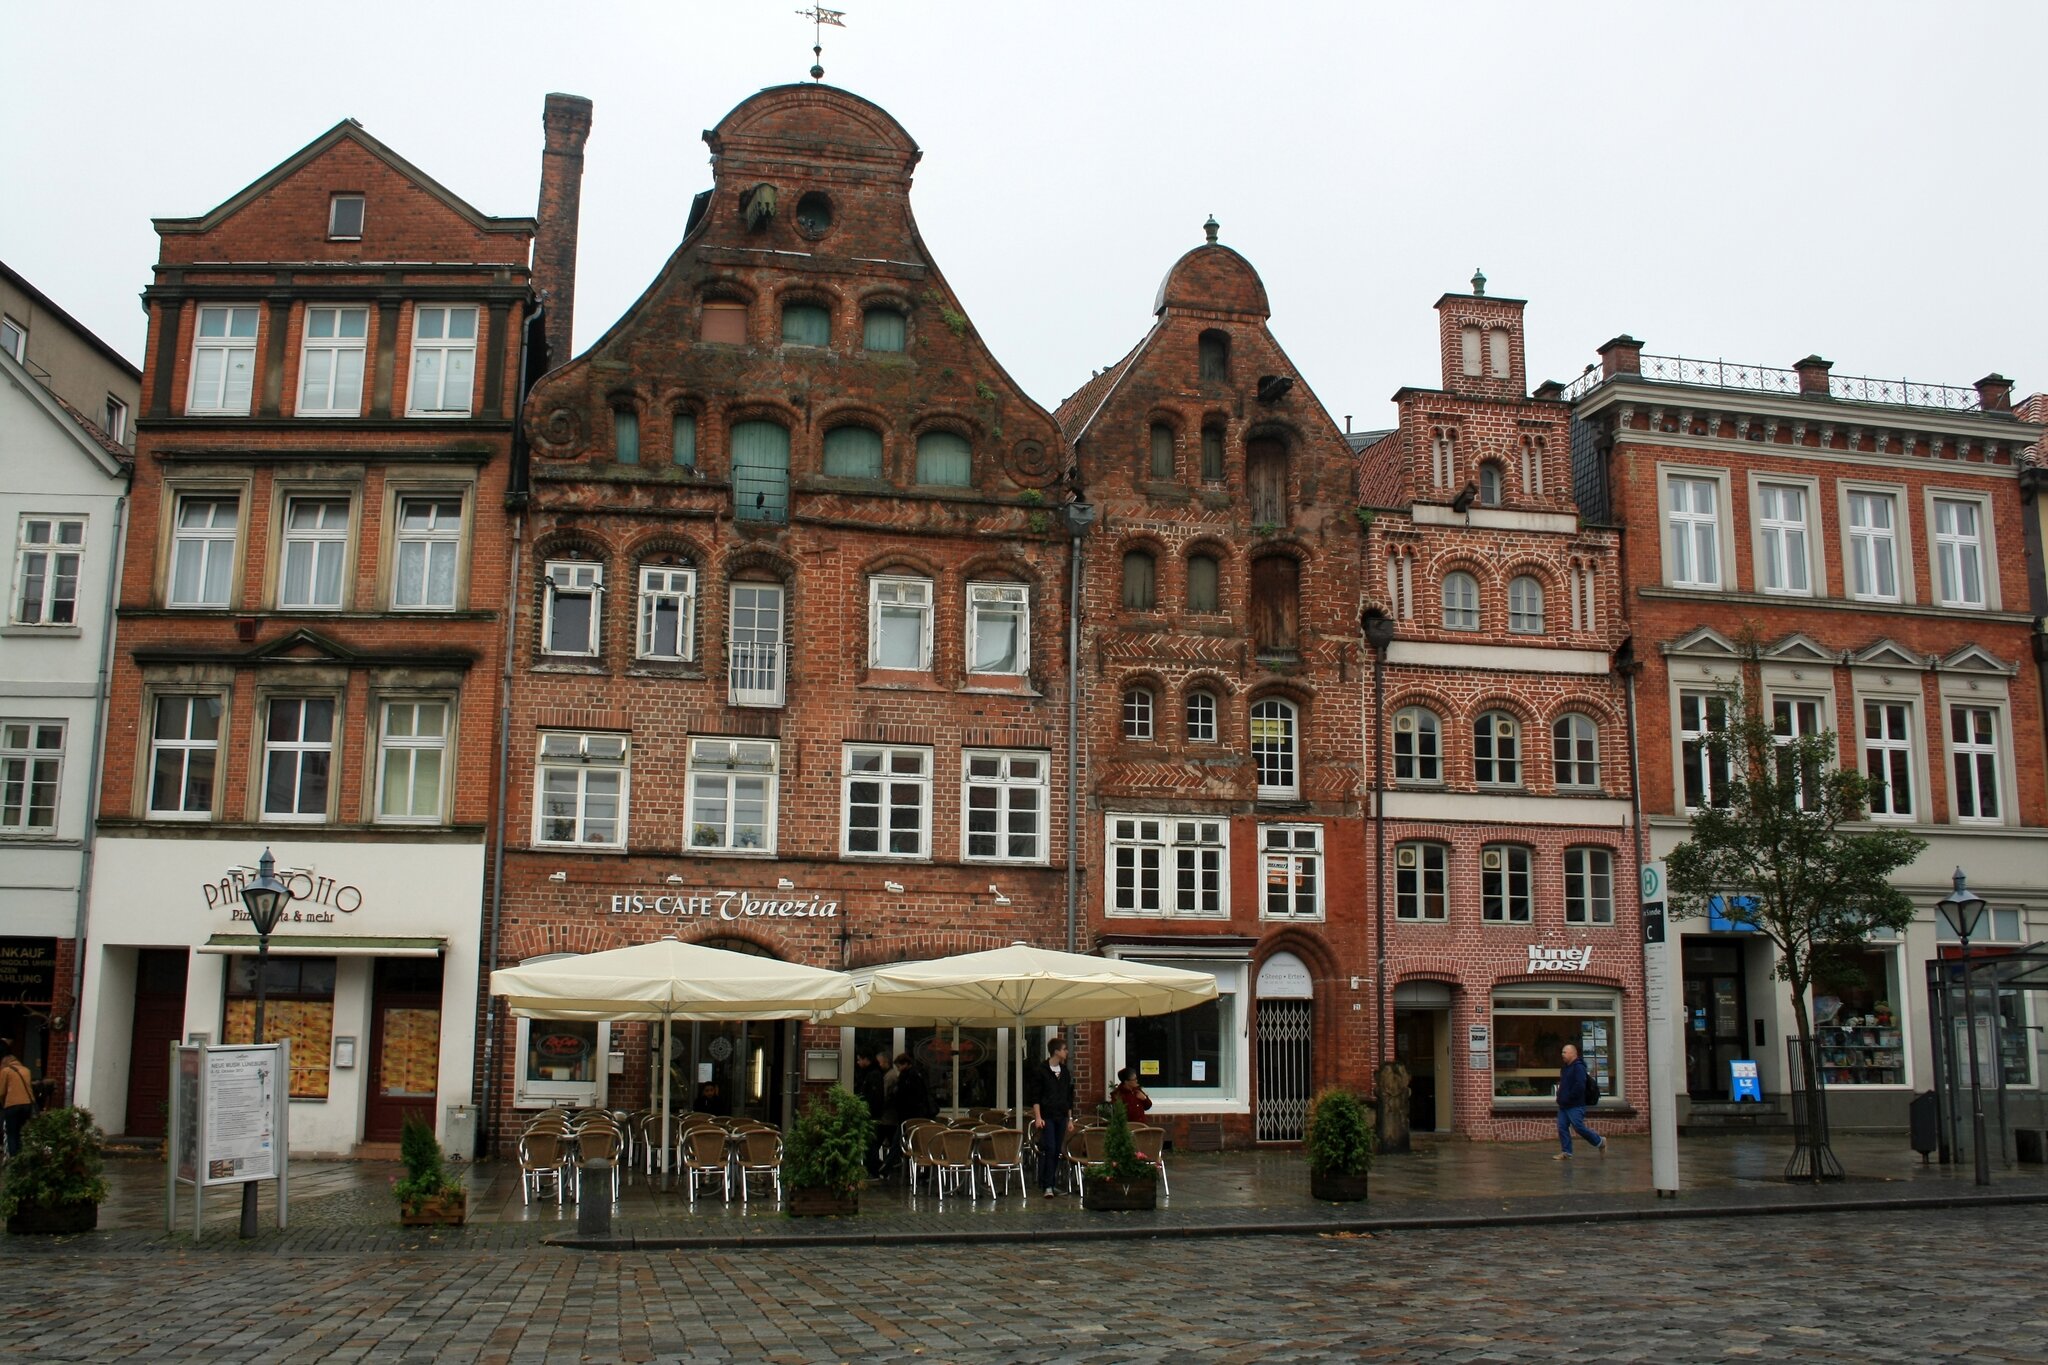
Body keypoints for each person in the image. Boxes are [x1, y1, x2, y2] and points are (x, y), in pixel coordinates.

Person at [1027, 1037, 1075, 1196]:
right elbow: (1036, 1096)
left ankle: (1050, 1182)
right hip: (1047, 1116)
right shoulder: (1041, 1070)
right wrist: (1038, 1117)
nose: (1066, 1052)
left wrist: (1070, 1118)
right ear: (1056, 1051)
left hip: (1061, 1115)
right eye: (1064, 1049)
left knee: (1056, 1150)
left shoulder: (1065, 1072)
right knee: (1050, 1147)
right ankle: (1047, 1184)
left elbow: (1069, 1097)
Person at [1554, 1043, 1606, 1159]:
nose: (1562, 1055)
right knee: (1562, 1127)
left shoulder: (1579, 1067)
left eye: (1565, 1052)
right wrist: (1560, 1096)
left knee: (1578, 1127)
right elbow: (1563, 1084)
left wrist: (1569, 1097)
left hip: (1575, 1105)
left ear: (1573, 1053)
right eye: (1562, 1052)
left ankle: (1600, 1141)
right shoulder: (1565, 1068)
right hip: (1564, 1105)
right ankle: (1566, 1152)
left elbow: (1580, 1086)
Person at [0, 1041, 33, 1158]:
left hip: (12, 1106)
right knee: (22, 1131)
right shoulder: (26, 1070)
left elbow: (1, 1091)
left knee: (12, 1133)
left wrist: (4, 1104)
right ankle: (23, 1156)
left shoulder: (5, 1071)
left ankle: (14, 1159)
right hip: (27, 1105)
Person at [892, 1052, 934, 1124]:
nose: (898, 1069)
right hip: (911, 1111)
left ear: (905, 1064)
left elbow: (912, 1094)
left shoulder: (911, 1076)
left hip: (910, 1111)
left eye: (899, 1067)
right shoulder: (914, 1074)